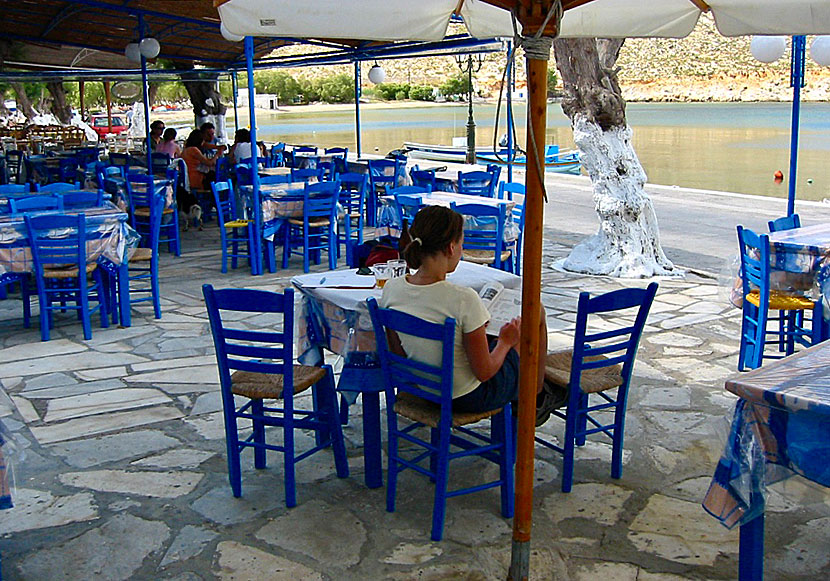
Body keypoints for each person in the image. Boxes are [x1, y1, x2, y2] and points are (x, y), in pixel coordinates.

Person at [379, 205, 564, 424]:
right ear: (450, 247)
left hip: (423, 387)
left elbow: (399, 353)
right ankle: (536, 395)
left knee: (487, 337)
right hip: (468, 396)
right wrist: (506, 342)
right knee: (534, 315)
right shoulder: (462, 298)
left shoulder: (392, 289)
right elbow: (485, 373)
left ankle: (537, 391)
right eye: (461, 243)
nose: (461, 250)